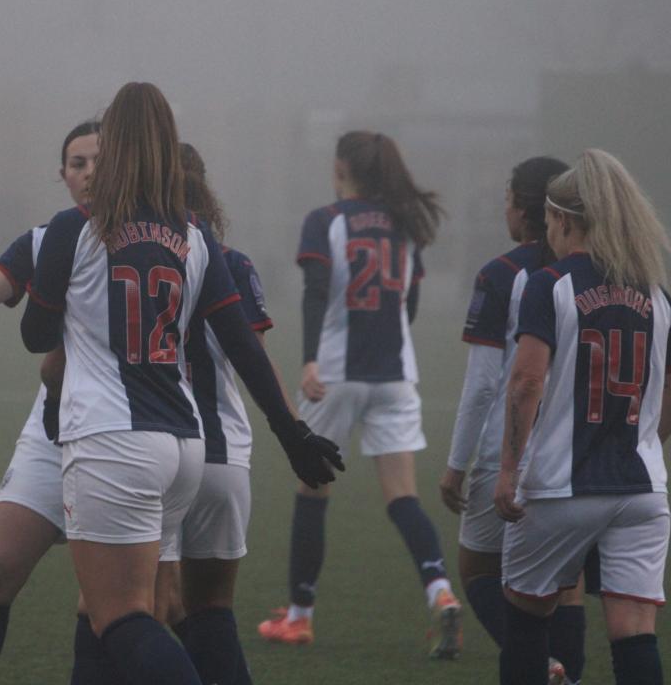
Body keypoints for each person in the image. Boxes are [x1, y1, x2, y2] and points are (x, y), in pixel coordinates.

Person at [21, 82, 342, 685]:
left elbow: (36, 336)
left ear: (112, 147)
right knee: (134, 614)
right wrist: (292, 432)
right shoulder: (194, 234)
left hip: (111, 440)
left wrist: (60, 297)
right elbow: (243, 345)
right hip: (184, 446)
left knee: (118, 616)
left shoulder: (75, 227)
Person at [259, 130, 463, 658]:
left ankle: (300, 616)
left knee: (313, 489)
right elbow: (409, 305)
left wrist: (309, 359)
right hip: (395, 377)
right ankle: (440, 592)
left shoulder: (325, 220)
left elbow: (315, 294)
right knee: (403, 497)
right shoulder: (405, 223)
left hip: (333, 375)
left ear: (341, 168)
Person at [494, 149, 671, 685]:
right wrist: (646, 442)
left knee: (526, 618)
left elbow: (527, 381)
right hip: (642, 490)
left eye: (550, 220)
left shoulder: (550, 283)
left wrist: (508, 469)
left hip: (560, 487)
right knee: (634, 632)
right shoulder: (656, 292)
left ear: (564, 220)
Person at [0, 121, 99, 685]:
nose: (89, 173)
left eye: (100, 162)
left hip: (119, 432)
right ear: (63, 175)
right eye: (77, 163)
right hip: (53, 428)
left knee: (103, 602)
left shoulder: (147, 240)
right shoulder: (46, 239)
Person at [439, 157, 588, 683]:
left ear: (527, 210)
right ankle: (568, 673)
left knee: (477, 569)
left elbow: (485, 384)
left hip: (509, 450)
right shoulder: (592, 275)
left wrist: (456, 465)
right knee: (564, 582)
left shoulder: (502, 274)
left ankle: (543, 666)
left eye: (507, 199)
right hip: (575, 454)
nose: (503, 209)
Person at [163, 143, 273, 685]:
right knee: (210, 608)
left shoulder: (126, 259)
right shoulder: (232, 262)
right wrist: (293, 428)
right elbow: (255, 360)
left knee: (132, 610)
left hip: (151, 448)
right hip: (222, 453)